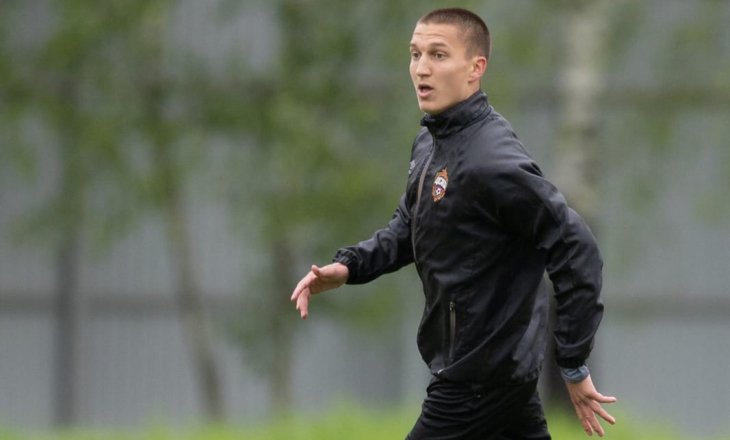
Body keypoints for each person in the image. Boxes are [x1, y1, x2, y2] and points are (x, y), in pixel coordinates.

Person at [290, 7, 616, 439]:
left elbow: (575, 246)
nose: (421, 69)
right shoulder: (431, 141)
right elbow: (409, 225)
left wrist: (572, 361)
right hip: (498, 377)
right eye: (415, 54)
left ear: (475, 68)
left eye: (438, 55)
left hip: (477, 380)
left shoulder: (490, 160)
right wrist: (350, 266)